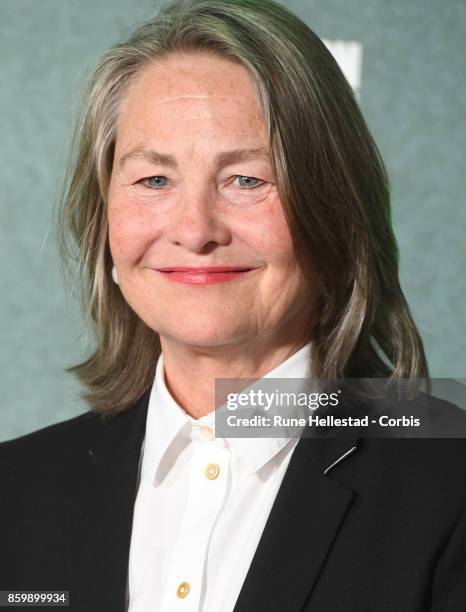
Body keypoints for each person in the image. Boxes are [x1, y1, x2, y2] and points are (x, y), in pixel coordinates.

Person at [0, 0, 464, 610]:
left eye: (247, 179)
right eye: (154, 180)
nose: (195, 230)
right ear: (104, 221)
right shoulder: (15, 490)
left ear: (337, 211)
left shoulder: (450, 485)